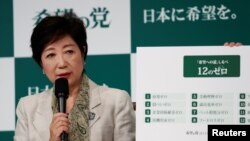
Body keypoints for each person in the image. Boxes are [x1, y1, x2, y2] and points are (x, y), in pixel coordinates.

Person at [14, 12, 135, 141]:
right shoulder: (27, 108)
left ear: (82, 53)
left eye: (69, 52)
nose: (61, 63)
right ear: (41, 64)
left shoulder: (116, 101)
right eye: (51, 55)